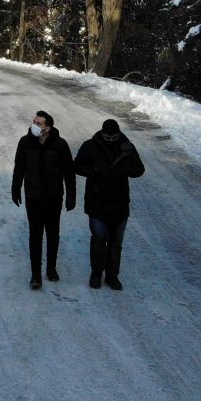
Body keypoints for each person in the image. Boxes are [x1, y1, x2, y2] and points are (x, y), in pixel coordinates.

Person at [71, 118, 145, 291]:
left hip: (120, 204)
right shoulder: (90, 146)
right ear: (102, 134)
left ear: (118, 134)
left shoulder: (127, 147)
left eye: (114, 138)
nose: (111, 140)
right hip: (97, 203)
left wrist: (126, 171)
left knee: (115, 243)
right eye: (107, 138)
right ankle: (96, 274)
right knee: (98, 239)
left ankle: (112, 276)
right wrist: (96, 170)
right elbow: (77, 166)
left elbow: (139, 169)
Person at [10, 110, 75, 289]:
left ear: (48, 127)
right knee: (35, 235)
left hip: (54, 198)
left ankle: (51, 269)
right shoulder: (25, 142)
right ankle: (36, 275)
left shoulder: (60, 145)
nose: (35, 125)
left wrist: (71, 196)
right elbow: (19, 167)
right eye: (34, 122)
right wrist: (15, 189)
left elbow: (69, 172)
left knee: (53, 234)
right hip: (33, 197)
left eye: (39, 123)